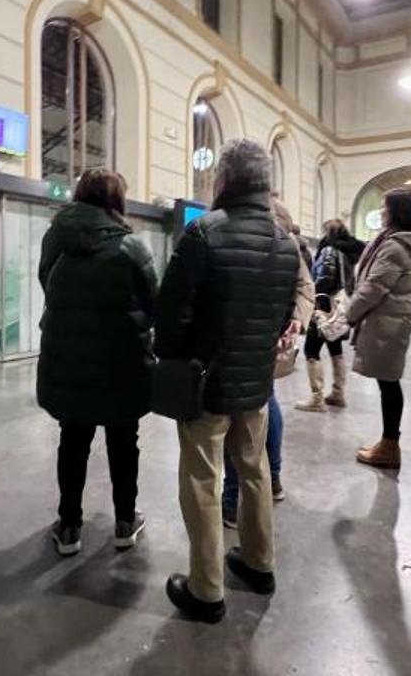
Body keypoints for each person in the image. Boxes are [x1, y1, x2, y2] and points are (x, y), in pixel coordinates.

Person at [155, 139, 301, 623]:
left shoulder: (203, 235)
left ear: (225, 180)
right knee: (255, 470)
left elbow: (170, 312)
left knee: (202, 478)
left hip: (207, 383)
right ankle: (260, 564)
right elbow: (283, 314)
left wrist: (178, 358)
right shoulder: (286, 242)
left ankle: (206, 589)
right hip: (255, 381)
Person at [35, 169, 157, 556]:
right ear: (117, 201)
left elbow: (47, 285)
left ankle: (69, 526)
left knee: (72, 441)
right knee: (124, 442)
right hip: (122, 360)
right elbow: (153, 304)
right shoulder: (132, 247)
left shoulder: (56, 238)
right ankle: (124, 522)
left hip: (68, 357)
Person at [222, 197, 314, 526]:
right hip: (266, 336)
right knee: (262, 404)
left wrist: (297, 321)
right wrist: (298, 320)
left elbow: (303, 287)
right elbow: (305, 287)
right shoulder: (287, 240)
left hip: (248, 340)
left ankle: (232, 500)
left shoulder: (242, 232)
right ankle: (271, 479)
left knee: (236, 414)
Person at [345, 189, 411, 469]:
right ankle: (388, 442)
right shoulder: (401, 241)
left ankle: (390, 446)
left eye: (385, 208)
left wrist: (349, 315)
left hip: (387, 323)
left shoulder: (394, 246)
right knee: (388, 382)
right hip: (394, 320)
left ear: (397, 212)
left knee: (389, 383)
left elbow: (373, 288)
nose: (381, 212)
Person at [296, 218, 364, 411]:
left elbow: (323, 281)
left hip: (324, 308)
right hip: (340, 308)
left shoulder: (329, 250)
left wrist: (313, 304)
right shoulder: (351, 253)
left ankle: (316, 398)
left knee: (311, 350)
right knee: (336, 350)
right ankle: (338, 393)